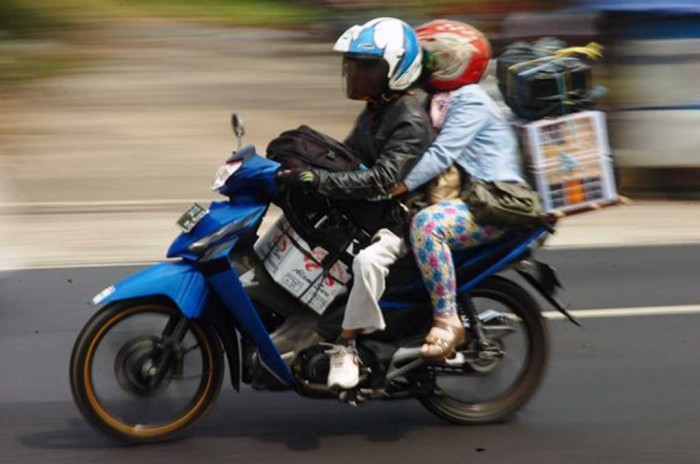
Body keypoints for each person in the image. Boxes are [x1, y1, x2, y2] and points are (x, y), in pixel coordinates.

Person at [279, 17, 432, 389]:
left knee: (366, 262)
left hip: (398, 222)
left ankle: (346, 344)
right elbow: (346, 156)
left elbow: (384, 178)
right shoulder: (376, 111)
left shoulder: (409, 120)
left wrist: (321, 180)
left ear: (395, 70)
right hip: (370, 215)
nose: (356, 73)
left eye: (367, 66)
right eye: (354, 64)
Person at [390, 19, 526, 359]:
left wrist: (398, 185)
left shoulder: (470, 100)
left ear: (454, 62)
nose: (421, 66)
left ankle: (447, 318)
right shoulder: (436, 99)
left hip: (496, 202)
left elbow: (440, 155)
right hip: (470, 198)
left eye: (428, 60)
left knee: (428, 227)